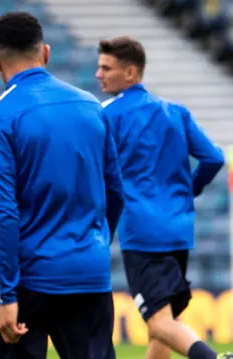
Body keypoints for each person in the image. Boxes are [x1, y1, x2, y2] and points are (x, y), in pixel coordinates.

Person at [0, 12, 124, 359]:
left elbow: (1, 213)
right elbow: (115, 191)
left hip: (30, 282)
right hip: (89, 275)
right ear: (45, 52)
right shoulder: (91, 106)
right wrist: (96, 244)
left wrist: (7, 296)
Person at [96, 36, 231, 359]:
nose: (98, 74)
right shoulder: (175, 112)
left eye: (106, 67)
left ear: (131, 73)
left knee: (158, 321)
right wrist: (189, 190)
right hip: (178, 228)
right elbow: (213, 158)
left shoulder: (107, 114)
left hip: (143, 232)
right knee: (166, 320)